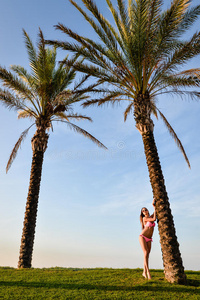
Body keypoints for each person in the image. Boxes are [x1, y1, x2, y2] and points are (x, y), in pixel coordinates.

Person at [139, 200, 156, 280]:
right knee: (145, 252)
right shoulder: (145, 218)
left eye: (145, 209)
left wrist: (154, 205)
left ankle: (144, 272)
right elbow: (155, 219)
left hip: (149, 238)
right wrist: (154, 209)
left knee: (147, 255)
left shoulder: (150, 217)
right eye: (143, 211)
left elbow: (155, 213)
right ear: (142, 213)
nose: (144, 211)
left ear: (147, 211)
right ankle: (148, 272)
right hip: (142, 236)